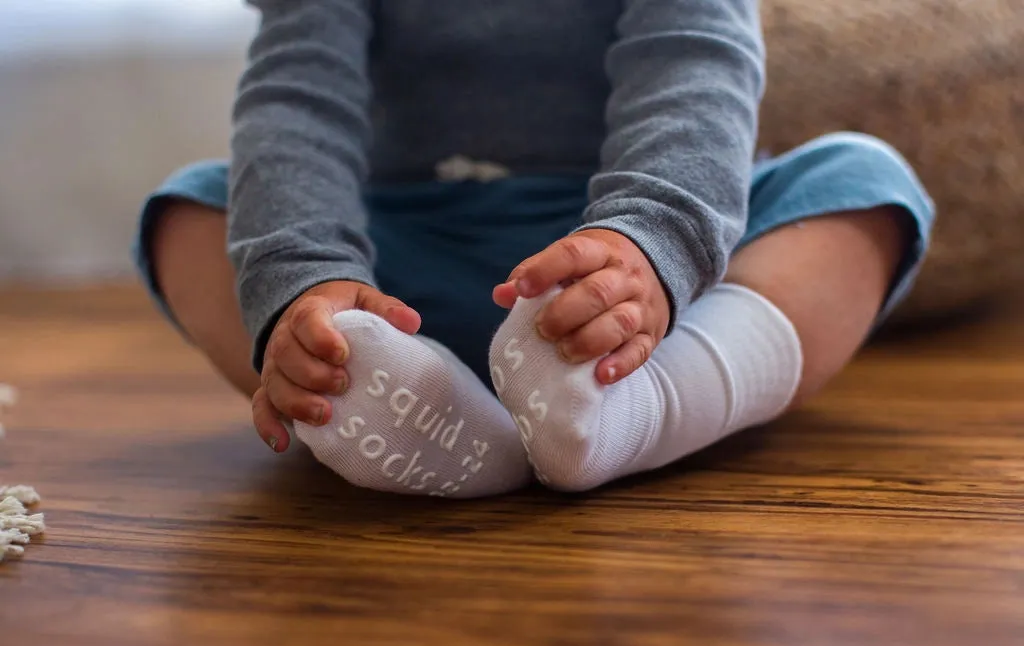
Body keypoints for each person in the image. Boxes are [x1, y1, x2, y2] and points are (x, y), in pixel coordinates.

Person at [134, 0, 934, 497]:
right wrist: (309, 279)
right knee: (190, 209)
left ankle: (636, 414)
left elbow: (694, 66)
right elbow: (297, 102)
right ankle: (351, 375)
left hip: (630, 273)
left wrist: (645, 243)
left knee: (861, 184)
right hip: (399, 275)